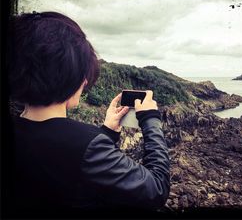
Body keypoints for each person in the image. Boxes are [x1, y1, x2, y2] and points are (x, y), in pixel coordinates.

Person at [5, 11, 170, 216]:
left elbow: (71, 166)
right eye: (83, 74)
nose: (84, 82)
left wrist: (107, 131)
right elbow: (157, 189)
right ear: (70, 75)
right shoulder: (88, 146)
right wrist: (151, 120)